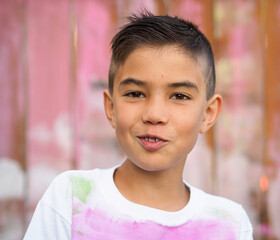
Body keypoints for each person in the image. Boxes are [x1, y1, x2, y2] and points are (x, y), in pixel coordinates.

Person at [24, 11, 253, 239]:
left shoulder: (230, 225)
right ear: (111, 108)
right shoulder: (71, 198)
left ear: (208, 114)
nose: (154, 115)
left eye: (179, 96)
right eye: (135, 93)